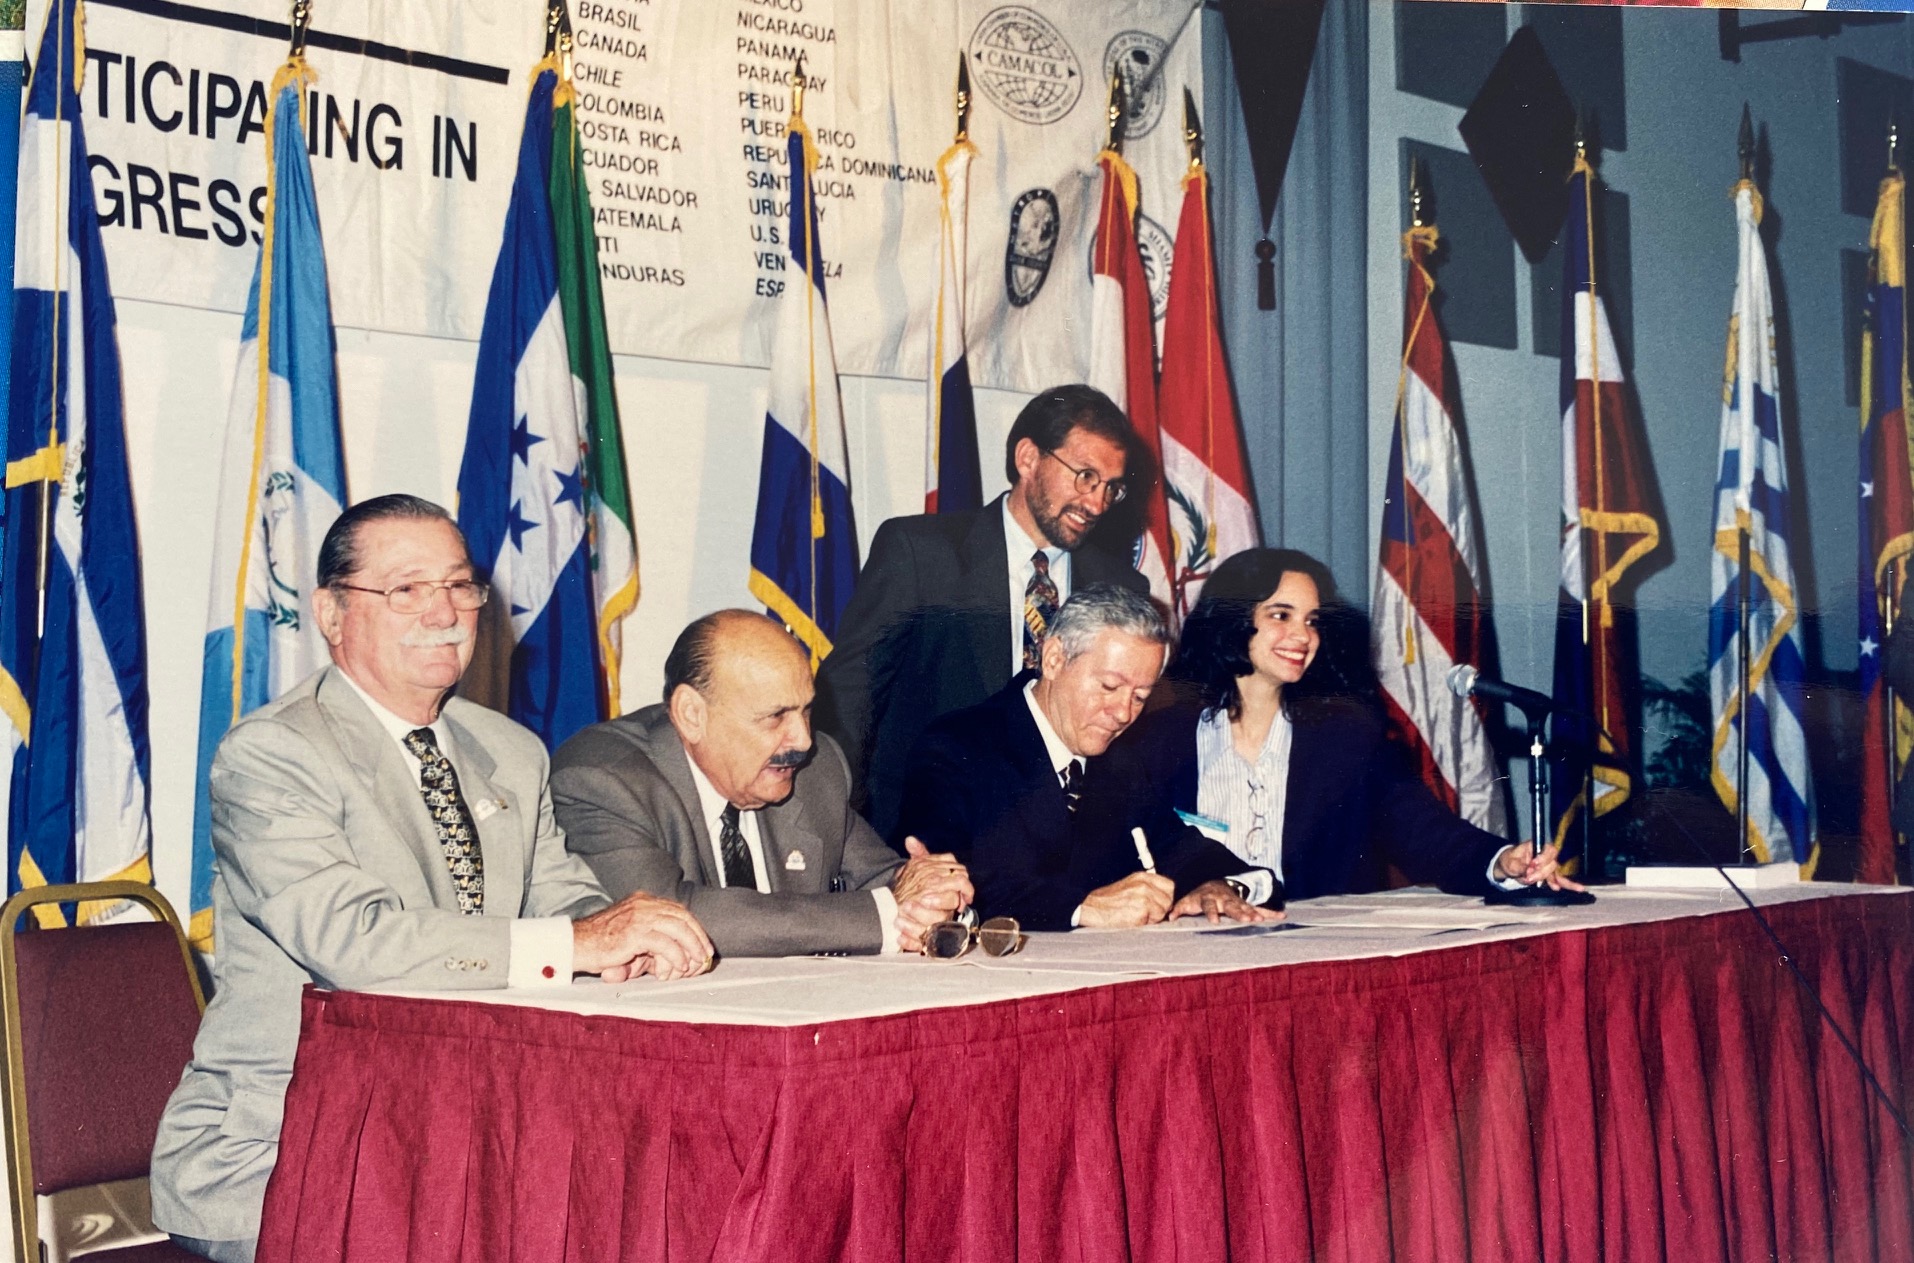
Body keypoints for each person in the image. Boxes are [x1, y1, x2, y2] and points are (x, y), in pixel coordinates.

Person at [151, 496, 714, 1263]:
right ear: (331, 612)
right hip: (285, 1155)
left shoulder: (510, 750)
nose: (443, 612)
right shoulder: (272, 754)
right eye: (406, 589)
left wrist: (626, 945)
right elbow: (355, 942)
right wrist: (580, 941)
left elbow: (564, 898)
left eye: (458, 586)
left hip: (468, 1140)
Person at [1091, 548, 1581, 900]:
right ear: (1233, 618)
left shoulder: (1347, 739)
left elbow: (1428, 834)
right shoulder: (1156, 739)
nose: (1302, 636)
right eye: (1281, 615)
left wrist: (1503, 862)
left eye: (1312, 621)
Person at [815, 384, 1150, 837]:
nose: (1096, 504)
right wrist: (840, 832)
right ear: (1028, 458)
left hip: (1062, 845)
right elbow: (848, 698)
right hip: (924, 834)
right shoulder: (921, 554)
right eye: (1085, 476)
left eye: (1112, 488)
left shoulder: (1123, 587)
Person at [552, 610, 974, 956]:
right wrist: (884, 913)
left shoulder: (816, 769)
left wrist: (935, 893)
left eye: (806, 710)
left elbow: (887, 883)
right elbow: (664, 916)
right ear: (692, 715)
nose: (803, 740)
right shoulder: (603, 779)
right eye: (776, 717)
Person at [893, 584, 1281, 931]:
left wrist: (1220, 885)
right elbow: (939, 882)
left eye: (1140, 697)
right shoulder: (957, 747)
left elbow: (1182, 850)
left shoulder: (1121, 762)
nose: (1124, 713)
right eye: (1109, 686)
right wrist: (1082, 907)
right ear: (1054, 659)